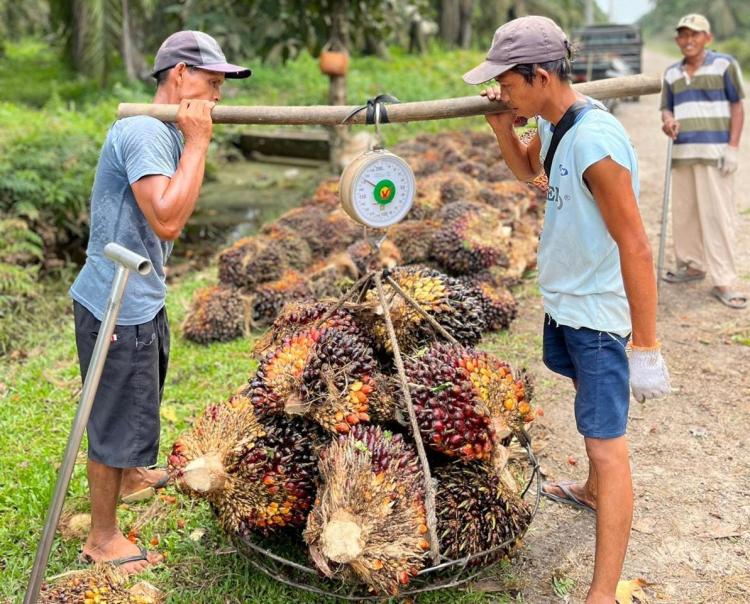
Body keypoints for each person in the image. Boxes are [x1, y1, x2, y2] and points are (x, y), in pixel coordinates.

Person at [463, 16, 671, 604]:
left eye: (507, 82)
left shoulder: (594, 142)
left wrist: (646, 345)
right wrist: (504, 126)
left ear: (541, 74)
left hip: (599, 319)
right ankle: (587, 488)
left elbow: (635, 243)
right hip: (566, 305)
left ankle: (602, 592)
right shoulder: (557, 126)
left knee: (609, 446)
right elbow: (528, 171)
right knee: (586, 409)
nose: (501, 88)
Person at [69, 31, 251, 574]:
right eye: (211, 82)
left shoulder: (161, 129)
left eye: (222, 85)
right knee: (114, 412)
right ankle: (102, 538)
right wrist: (198, 143)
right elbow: (168, 217)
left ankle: (129, 476)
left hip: (140, 292)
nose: (218, 96)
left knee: (141, 390)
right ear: (178, 76)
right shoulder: (148, 130)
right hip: (117, 300)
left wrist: (193, 139)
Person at [660, 14, 746, 309]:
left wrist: (732, 148)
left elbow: (737, 107)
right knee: (684, 215)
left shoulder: (724, 65)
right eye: (683, 35)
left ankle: (724, 279)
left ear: (707, 38)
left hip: (714, 154)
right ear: (677, 40)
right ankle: (692, 265)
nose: (688, 40)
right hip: (683, 154)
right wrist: (668, 122)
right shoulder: (671, 73)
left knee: (717, 216)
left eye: (695, 34)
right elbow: (666, 111)